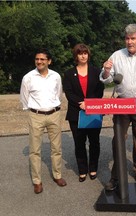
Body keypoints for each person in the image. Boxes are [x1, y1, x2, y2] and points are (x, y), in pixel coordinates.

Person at [100, 24, 136, 191]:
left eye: (133, 38)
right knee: (118, 140)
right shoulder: (117, 55)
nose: (130, 41)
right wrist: (106, 71)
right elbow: (105, 79)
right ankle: (116, 176)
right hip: (122, 103)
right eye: (127, 38)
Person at [20, 48, 67, 194]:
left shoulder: (56, 76)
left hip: (54, 114)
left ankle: (57, 175)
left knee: (56, 148)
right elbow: (24, 98)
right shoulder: (28, 77)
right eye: (37, 59)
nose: (39, 62)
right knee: (34, 150)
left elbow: (58, 94)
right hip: (36, 116)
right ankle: (37, 181)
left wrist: (52, 106)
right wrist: (35, 110)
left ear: (49, 61)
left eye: (42, 59)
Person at [63, 44, 104, 182]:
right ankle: (82, 170)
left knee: (94, 142)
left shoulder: (96, 71)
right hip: (76, 113)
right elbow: (68, 92)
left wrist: (90, 104)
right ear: (76, 56)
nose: (83, 56)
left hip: (94, 112)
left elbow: (100, 90)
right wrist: (82, 103)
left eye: (85, 53)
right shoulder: (69, 73)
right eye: (80, 53)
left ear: (88, 54)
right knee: (79, 143)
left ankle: (93, 168)